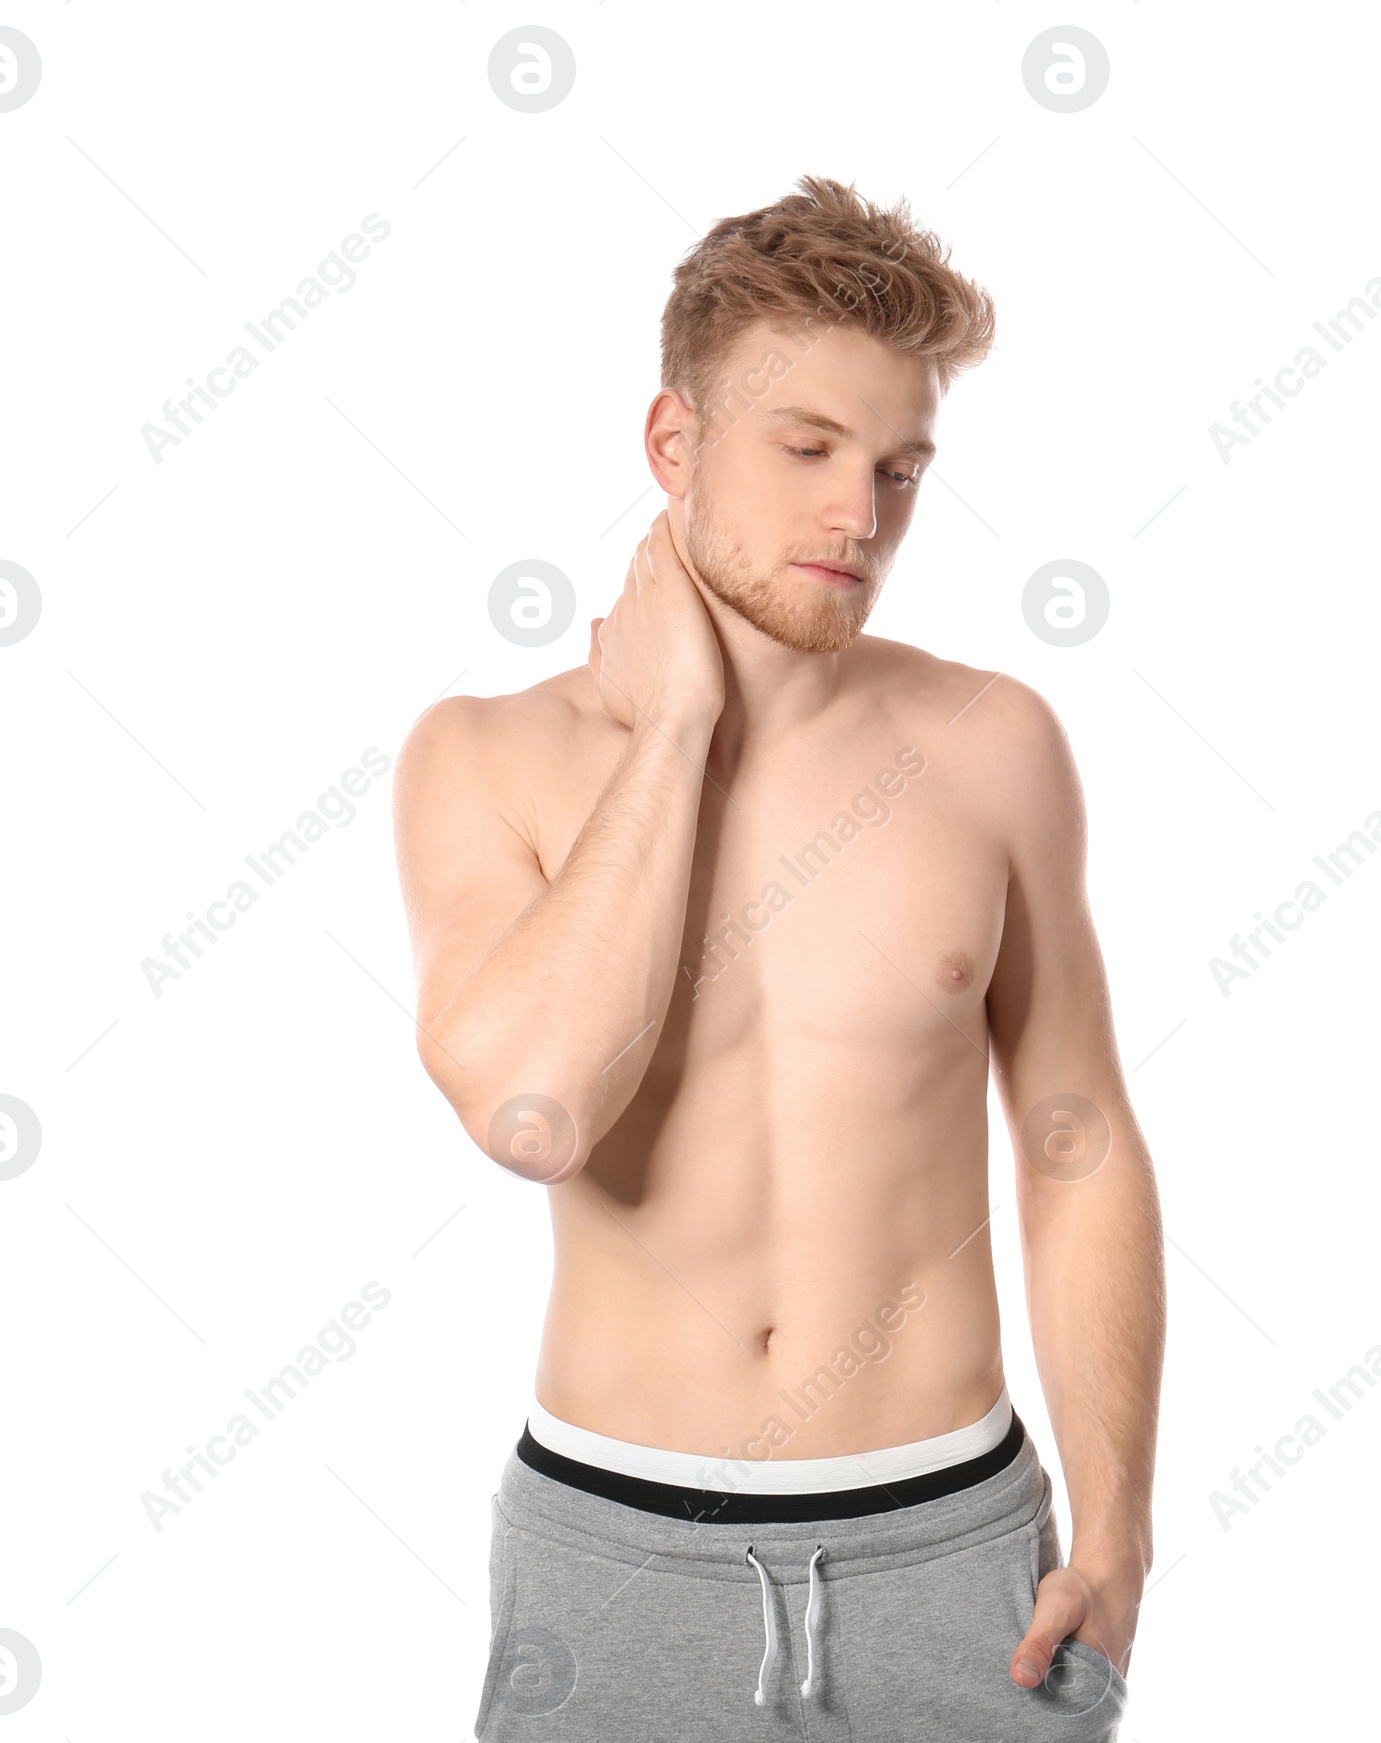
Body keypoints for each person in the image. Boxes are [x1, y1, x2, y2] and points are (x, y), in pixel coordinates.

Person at [393, 173, 1165, 1741]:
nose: (858, 517)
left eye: (898, 468)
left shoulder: (990, 742)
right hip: (617, 1555)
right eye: (806, 449)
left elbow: (1076, 1136)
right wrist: (676, 727)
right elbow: (531, 1110)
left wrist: (1121, 1528)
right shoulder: (484, 757)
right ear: (673, 447)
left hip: (957, 1550)